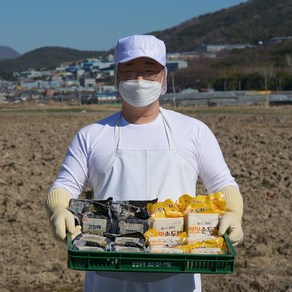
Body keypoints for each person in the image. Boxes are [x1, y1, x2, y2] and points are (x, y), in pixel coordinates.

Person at [45, 34, 244, 292]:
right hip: (109, 274)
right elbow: (65, 184)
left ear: (163, 77)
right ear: (116, 77)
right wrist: (58, 210)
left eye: (149, 71)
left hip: (178, 275)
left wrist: (233, 213)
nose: (139, 81)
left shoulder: (192, 131)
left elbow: (222, 183)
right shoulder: (92, 135)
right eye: (129, 71)